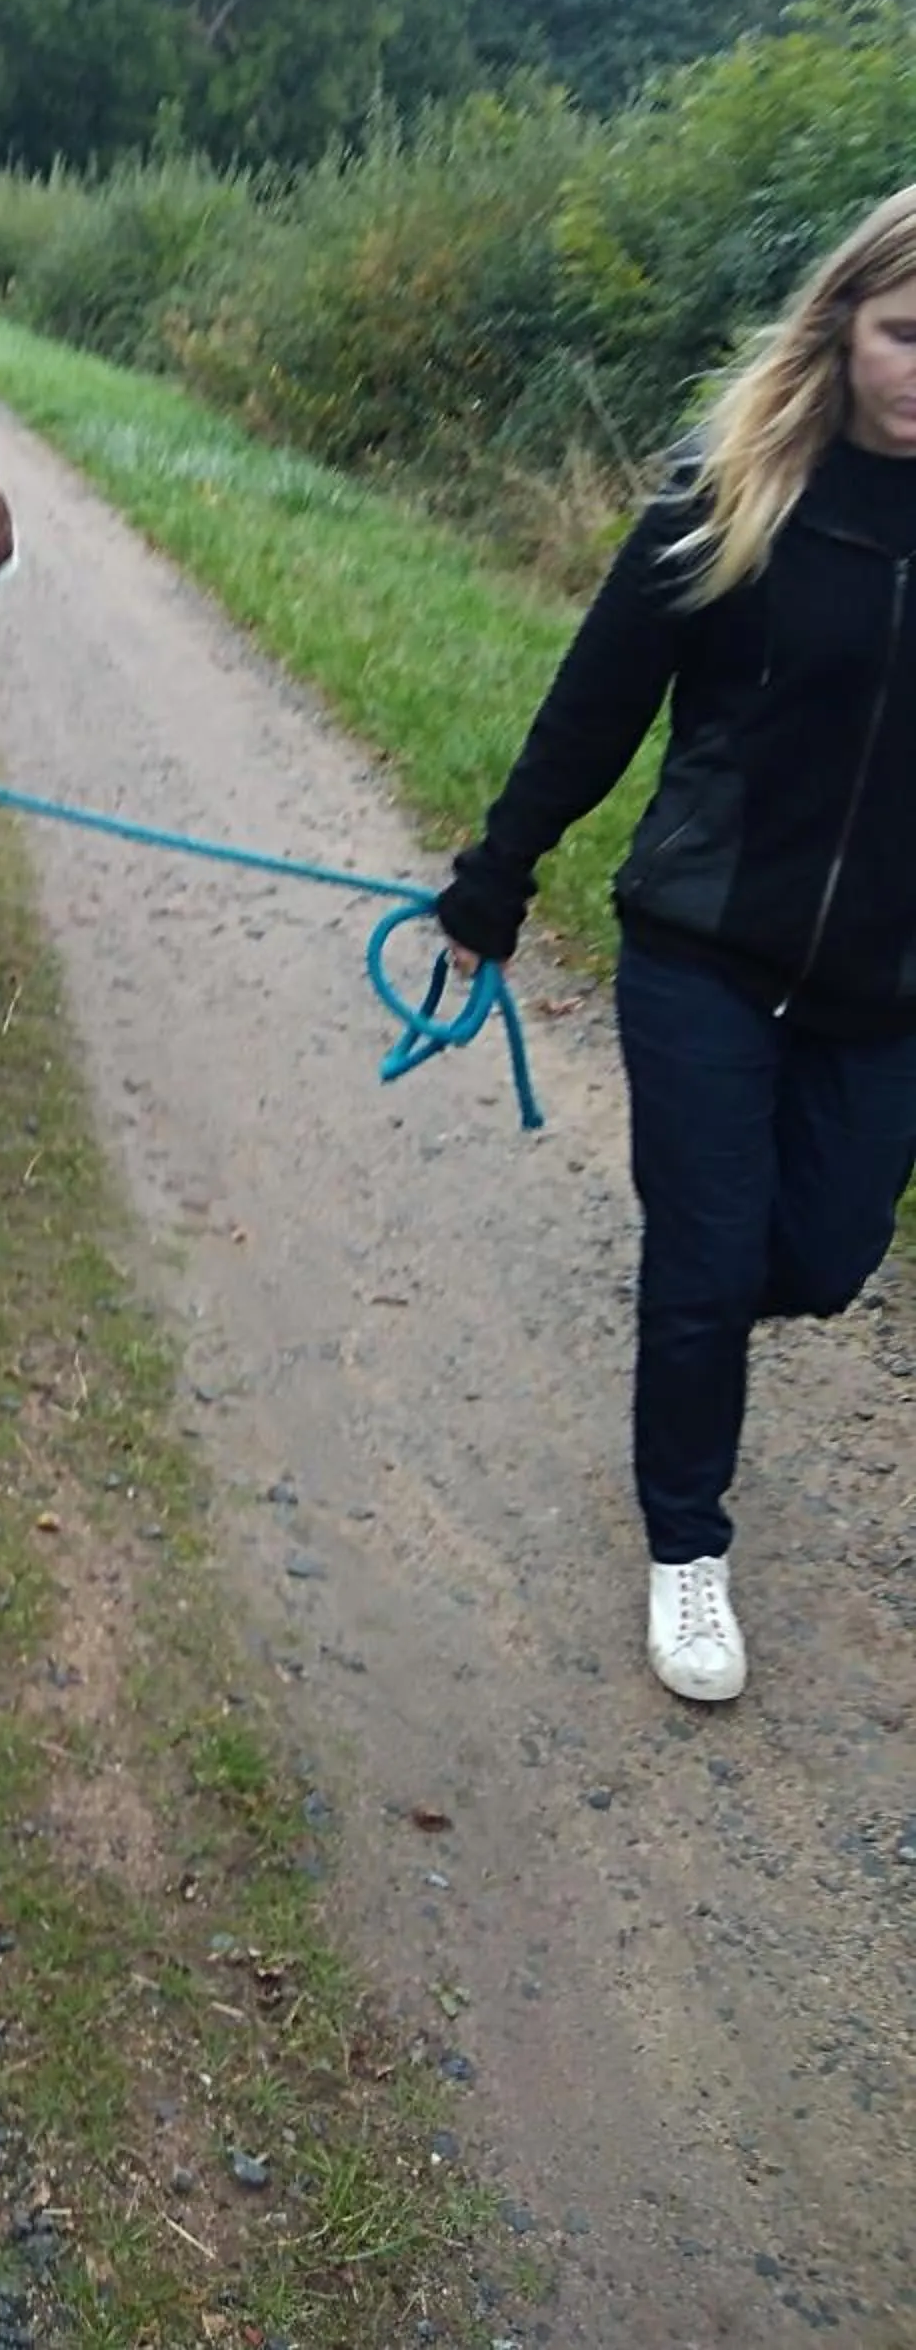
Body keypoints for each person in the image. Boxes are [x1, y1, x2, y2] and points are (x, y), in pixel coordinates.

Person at [435, 180, 916, 1705]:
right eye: (909, 335)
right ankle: (686, 1549)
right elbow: (595, 702)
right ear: (842, 324)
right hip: (702, 944)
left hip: (880, 985)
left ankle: (690, 1317)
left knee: (825, 1259)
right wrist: (498, 873)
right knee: (707, 1258)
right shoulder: (730, 490)